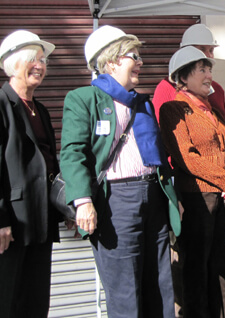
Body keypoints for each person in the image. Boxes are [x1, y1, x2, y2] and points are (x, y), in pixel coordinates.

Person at [60, 25, 181, 318]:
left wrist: (172, 200)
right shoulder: (83, 99)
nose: (140, 62)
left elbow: (159, 157)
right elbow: (72, 153)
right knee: (125, 291)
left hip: (153, 196)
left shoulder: (144, 103)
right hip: (116, 202)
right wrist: (83, 201)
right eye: (133, 56)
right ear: (112, 61)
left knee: (160, 285)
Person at [159, 46, 225, 318]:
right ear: (182, 78)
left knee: (221, 269)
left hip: (223, 199)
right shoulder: (174, 109)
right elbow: (186, 158)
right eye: (202, 70)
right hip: (196, 199)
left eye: (210, 69)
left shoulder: (213, 111)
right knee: (196, 269)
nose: (209, 76)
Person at [0, 29, 62, 318]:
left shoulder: (40, 109)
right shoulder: (2, 104)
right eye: (33, 59)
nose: (41, 65)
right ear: (14, 63)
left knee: (36, 301)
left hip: (41, 219)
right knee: (9, 300)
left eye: (43, 60)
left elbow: (50, 163)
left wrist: (65, 207)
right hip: (12, 224)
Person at [153, 24, 225, 122]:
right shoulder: (166, 87)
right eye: (202, 49)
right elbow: (160, 128)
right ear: (185, 52)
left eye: (211, 50)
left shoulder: (218, 90)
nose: (208, 55)